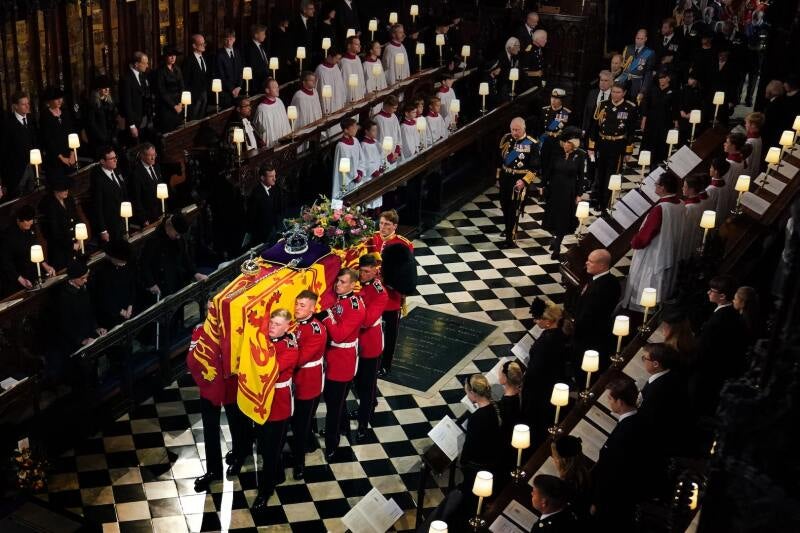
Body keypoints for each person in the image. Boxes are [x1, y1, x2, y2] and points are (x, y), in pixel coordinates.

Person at [187, 307, 242, 492]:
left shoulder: (235, 329)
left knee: (237, 423)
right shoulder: (200, 330)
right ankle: (213, 471)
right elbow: (193, 359)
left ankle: (239, 456)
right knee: (210, 430)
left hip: (230, 384)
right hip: (210, 387)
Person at [251, 309, 299, 512]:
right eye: (271, 322)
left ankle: (265, 491)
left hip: (278, 404)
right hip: (261, 401)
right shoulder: (265, 338)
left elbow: (270, 369)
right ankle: (278, 473)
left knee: (270, 450)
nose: (272, 326)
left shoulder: (290, 347)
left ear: (288, 326)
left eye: (278, 324)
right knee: (264, 443)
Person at [320, 269, 366, 461]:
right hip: (330, 356)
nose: (338, 285)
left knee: (334, 404)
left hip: (343, 360)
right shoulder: (337, 297)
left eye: (343, 282)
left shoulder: (356, 306)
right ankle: (344, 426)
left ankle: (332, 443)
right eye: (337, 281)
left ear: (353, 285)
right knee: (334, 401)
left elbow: (339, 334)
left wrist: (326, 317)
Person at [622, 172, 685, 310]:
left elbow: (644, 237)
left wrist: (634, 241)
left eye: (656, 184)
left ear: (663, 188)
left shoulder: (660, 209)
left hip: (653, 253)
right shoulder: (680, 203)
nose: (655, 186)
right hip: (670, 250)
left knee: (646, 285)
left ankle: (641, 314)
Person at [590, 376, 645, 532]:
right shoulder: (637, 420)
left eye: (610, 398)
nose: (608, 401)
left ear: (620, 402)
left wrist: (597, 503)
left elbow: (611, 473)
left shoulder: (624, 433)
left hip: (614, 502)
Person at [367, 209, 414, 377]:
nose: (383, 227)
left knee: (390, 333)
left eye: (387, 224)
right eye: (381, 223)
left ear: (395, 226)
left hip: (391, 297)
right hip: (371, 295)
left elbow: (405, 271)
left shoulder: (403, 244)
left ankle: (386, 364)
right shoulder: (372, 238)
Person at [692, 276, 748, 416]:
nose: (708, 293)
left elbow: (703, 352)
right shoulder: (731, 312)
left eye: (712, 290)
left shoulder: (717, 321)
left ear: (722, 296)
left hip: (708, 375)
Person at [290, 290, 327, 480]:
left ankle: (299, 464)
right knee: (297, 420)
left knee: (301, 425)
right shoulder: (296, 323)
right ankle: (309, 443)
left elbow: (300, 358)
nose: (297, 308)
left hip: (308, 381)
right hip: (295, 380)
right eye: (296, 304)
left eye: (302, 305)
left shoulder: (316, 330)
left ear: (313, 308)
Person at [522, 301, 569, 446]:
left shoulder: (546, 343)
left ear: (548, 322)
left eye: (537, 319)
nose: (535, 321)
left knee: (536, 420)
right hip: (553, 380)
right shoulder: (560, 333)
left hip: (540, 389)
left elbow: (535, 372)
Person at [353, 254, 388, 442]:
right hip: (355, 344)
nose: (363, 275)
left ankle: (363, 423)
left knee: (366, 387)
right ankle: (365, 408)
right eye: (362, 271)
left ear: (375, 271)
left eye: (367, 272)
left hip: (370, 345)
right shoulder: (357, 282)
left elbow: (366, 320)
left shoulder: (380, 292)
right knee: (358, 385)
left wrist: (355, 301)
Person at [588, 83, 638, 211]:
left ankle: (606, 204)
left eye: (618, 92)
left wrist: (628, 151)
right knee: (600, 174)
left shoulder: (629, 108)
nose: (615, 95)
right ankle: (597, 200)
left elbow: (631, 131)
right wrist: (591, 146)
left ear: (624, 93)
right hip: (602, 143)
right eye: (613, 92)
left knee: (611, 176)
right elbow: (595, 127)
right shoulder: (603, 105)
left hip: (617, 146)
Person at [638, 343, 691, 463]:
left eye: (644, 358)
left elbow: (645, 420)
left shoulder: (657, 390)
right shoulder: (669, 375)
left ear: (656, 364)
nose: (643, 361)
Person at [571, 249, 621, 374]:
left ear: (602, 265)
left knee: (582, 368)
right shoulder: (609, 280)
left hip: (588, 337)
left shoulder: (601, 288)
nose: (586, 263)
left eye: (591, 262)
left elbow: (589, 315)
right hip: (591, 333)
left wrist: (574, 328)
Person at [541, 126, 585, 260]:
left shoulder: (580, 155)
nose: (565, 145)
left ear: (574, 144)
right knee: (553, 217)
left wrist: (579, 194)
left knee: (563, 219)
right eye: (564, 142)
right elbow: (548, 170)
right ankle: (555, 238)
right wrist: (543, 185)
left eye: (568, 142)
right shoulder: (556, 153)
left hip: (568, 191)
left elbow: (581, 176)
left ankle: (558, 245)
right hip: (554, 189)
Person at [496, 117, 540, 247]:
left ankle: (510, 238)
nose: (515, 132)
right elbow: (499, 160)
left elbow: (535, 168)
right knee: (504, 205)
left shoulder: (532, 143)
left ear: (524, 129)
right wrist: (498, 178)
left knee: (513, 209)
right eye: (513, 129)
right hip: (505, 177)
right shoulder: (506, 138)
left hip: (519, 181)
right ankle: (508, 227)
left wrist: (524, 181)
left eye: (517, 130)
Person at [140, 213, 207, 298]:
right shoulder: (153, 240)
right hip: (162, 286)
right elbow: (144, 265)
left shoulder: (177, 238)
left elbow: (184, 257)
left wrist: (195, 273)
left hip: (177, 282)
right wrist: (151, 284)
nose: (178, 237)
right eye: (177, 234)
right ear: (169, 228)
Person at [460, 374, 502, 495]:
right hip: (493, 458)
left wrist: (463, 463)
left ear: (473, 393)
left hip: (479, 465)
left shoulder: (476, 418)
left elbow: (470, 446)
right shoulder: (495, 406)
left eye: (467, 392)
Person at [0, 205, 55, 295]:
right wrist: (20, 278)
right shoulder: (8, 236)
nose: (31, 222)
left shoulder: (30, 229)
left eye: (32, 220)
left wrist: (45, 264)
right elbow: (6, 262)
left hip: (33, 273)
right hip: (17, 279)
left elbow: (35, 246)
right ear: (18, 220)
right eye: (27, 220)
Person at [57, 259, 105, 353]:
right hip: (75, 341)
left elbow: (90, 311)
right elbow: (66, 324)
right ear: (73, 278)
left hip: (89, 333)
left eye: (86, 277)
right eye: (82, 278)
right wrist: (82, 340)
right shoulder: (64, 297)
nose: (86, 280)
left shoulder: (83, 288)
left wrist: (96, 328)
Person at [1, 92, 38, 200]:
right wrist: (4, 180)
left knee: (33, 197)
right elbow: (3, 151)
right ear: (15, 106)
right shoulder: (7, 124)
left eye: (28, 103)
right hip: (16, 172)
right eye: (23, 104)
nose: (27, 106)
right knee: (17, 201)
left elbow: (35, 142)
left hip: (32, 167)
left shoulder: (31, 119)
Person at [37, 176, 79, 270]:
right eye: (63, 189)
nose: (66, 191)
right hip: (59, 250)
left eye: (67, 188)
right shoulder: (49, 206)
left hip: (74, 244)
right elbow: (54, 231)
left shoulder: (69, 200)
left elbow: (76, 219)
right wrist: (70, 245)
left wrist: (79, 237)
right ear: (55, 191)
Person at [91, 239, 135, 329]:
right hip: (111, 314)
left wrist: (130, 305)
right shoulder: (102, 272)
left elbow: (132, 285)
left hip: (127, 308)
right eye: (121, 261)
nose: (124, 264)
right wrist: (121, 311)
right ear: (113, 258)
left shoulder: (127, 264)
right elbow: (104, 298)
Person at [90, 147, 128, 244]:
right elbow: (98, 207)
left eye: (115, 157)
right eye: (112, 159)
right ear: (103, 161)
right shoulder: (98, 180)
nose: (115, 160)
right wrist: (103, 230)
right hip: (110, 224)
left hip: (122, 220)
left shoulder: (117, 170)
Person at [39, 87, 76, 181]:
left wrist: (72, 153)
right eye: (56, 99)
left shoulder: (65, 112)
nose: (60, 100)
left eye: (61, 98)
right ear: (50, 101)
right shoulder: (45, 116)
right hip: (54, 159)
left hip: (69, 155)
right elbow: (47, 140)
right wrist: (61, 158)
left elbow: (71, 133)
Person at [641, 71, 679, 164]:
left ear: (668, 79)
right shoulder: (653, 90)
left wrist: (676, 121)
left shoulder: (673, 92)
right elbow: (646, 105)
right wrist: (644, 120)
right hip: (651, 120)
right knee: (649, 140)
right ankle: (647, 160)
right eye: (660, 78)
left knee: (661, 141)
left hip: (665, 121)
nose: (661, 80)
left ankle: (660, 159)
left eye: (663, 78)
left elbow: (675, 107)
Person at [550, 435, 591, 520]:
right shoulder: (584, 472)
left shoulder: (566, 486)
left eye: (554, 456)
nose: (553, 459)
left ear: (562, 460)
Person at [245, 164, 284, 247]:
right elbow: (251, 218)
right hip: (262, 236)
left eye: (275, 175)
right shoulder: (256, 195)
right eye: (271, 176)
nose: (274, 179)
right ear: (262, 178)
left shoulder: (275, 188)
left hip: (274, 229)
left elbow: (277, 209)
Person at [119, 51, 154, 144]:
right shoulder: (126, 79)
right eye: (145, 63)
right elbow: (127, 104)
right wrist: (132, 126)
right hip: (134, 121)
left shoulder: (143, 76)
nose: (147, 66)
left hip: (144, 119)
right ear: (136, 64)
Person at [128, 143, 164, 227]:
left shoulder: (156, 166)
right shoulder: (136, 174)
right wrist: (143, 219)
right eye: (150, 155)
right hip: (148, 217)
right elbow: (136, 199)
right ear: (142, 156)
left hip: (160, 212)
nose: (153, 158)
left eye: (154, 154)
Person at [85, 76, 120, 158]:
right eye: (104, 88)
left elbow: (115, 120)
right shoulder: (92, 105)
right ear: (98, 89)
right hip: (99, 141)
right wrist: (103, 137)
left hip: (111, 139)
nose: (107, 89)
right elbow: (92, 124)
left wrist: (114, 134)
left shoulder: (110, 102)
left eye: (108, 87)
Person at [497, 360, 523, 470]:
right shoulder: (519, 392)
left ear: (505, 378)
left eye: (499, 373)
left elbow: (502, 427)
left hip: (507, 445)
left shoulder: (507, 403)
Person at [154, 45, 185, 133]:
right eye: (170, 55)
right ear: (165, 57)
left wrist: (180, 103)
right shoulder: (160, 71)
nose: (173, 57)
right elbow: (162, 91)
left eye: (174, 55)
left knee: (179, 130)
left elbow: (182, 87)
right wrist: (174, 106)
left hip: (178, 104)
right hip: (166, 106)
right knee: (168, 131)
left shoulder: (177, 69)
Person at [253, 78, 291, 148]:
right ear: (267, 90)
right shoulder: (262, 109)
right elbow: (264, 133)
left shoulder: (279, 101)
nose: (277, 89)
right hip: (272, 146)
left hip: (283, 141)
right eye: (274, 87)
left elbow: (285, 123)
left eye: (277, 87)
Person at [618, 29, 656, 101]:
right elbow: (622, 67)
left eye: (641, 39)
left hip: (637, 84)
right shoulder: (628, 48)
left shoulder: (650, 53)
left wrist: (643, 91)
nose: (639, 41)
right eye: (637, 38)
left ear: (645, 39)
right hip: (624, 81)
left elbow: (648, 73)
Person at [332, 118, 364, 199]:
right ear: (346, 130)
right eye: (353, 127)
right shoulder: (341, 145)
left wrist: (360, 172)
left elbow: (361, 158)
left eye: (356, 126)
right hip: (346, 180)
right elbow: (346, 165)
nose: (356, 129)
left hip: (357, 177)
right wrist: (356, 176)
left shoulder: (355, 140)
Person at [681, 174, 710, 259]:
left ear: (692, 190)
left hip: (688, 240)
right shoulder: (700, 202)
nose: (682, 188)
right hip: (696, 237)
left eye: (684, 186)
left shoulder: (689, 207)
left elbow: (685, 228)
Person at [183, 34, 210, 119]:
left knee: (202, 119)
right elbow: (185, 82)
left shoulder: (204, 58)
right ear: (194, 46)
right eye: (201, 44)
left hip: (204, 95)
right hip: (194, 98)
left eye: (204, 43)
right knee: (193, 120)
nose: (204, 46)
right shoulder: (188, 61)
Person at [214, 29, 243, 109]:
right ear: (223, 40)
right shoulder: (219, 54)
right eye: (226, 39)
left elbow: (240, 70)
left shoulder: (237, 52)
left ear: (234, 39)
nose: (228, 41)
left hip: (238, 90)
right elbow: (220, 75)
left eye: (230, 39)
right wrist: (232, 89)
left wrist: (239, 86)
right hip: (226, 92)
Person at [315, 48, 346, 119]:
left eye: (339, 59)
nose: (338, 61)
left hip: (338, 104)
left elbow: (340, 86)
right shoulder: (320, 70)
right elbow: (319, 90)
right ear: (329, 57)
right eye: (336, 59)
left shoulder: (336, 67)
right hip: (327, 106)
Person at [373, 95, 402, 163]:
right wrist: (389, 155)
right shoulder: (378, 119)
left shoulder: (394, 116)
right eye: (394, 108)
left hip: (395, 155)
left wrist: (397, 151)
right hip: (384, 156)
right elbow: (378, 140)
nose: (395, 110)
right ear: (386, 106)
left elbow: (398, 134)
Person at [243, 24, 269, 95]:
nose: (265, 36)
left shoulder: (261, 46)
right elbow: (253, 66)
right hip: (256, 84)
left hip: (265, 80)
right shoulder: (249, 48)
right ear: (256, 35)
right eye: (263, 34)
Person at [291, 0, 316, 69]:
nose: (313, 10)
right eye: (311, 9)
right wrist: (293, 56)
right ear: (304, 10)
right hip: (299, 58)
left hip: (309, 57)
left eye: (313, 8)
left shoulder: (312, 21)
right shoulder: (294, 22)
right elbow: (291, 40)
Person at [340, 36, 366, 102]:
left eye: (359, 44)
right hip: (350, 98)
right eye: (357, 44)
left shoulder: (357, 58)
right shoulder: (344, 62)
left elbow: (361, 78)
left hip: (359, 95)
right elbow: (344, 82)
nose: (360, 46)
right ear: (349, 46)